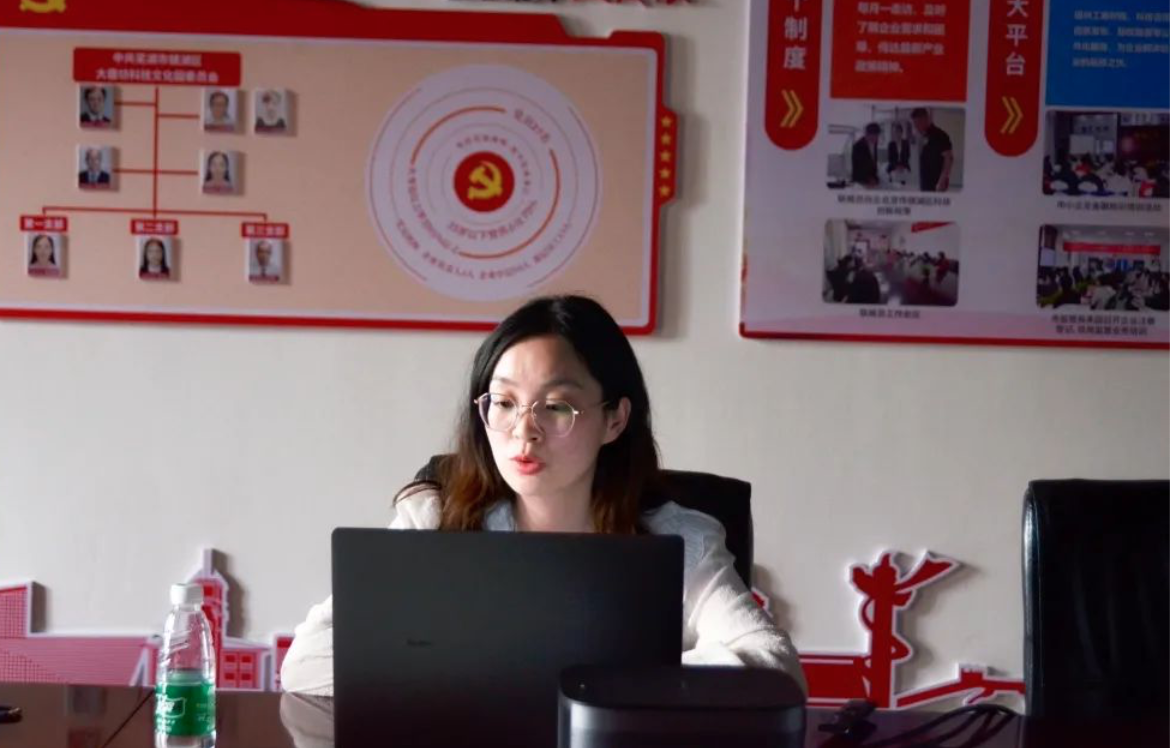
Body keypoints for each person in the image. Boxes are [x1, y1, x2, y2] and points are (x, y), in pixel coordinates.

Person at [280, 295, 807, 697]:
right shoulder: (436, 522)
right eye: (504, 403)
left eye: (555, 407)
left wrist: (586, 684)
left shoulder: (676, 540)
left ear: (615, 419)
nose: (524, 432)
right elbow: (307, 662)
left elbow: (775, 668)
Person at [910, 107, 954, 193]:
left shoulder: (940, 135)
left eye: (917, 123)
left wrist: (941, 181)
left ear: (925, 119)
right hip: (925, 183)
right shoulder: (923, 136)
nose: (916, 127)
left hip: (936, 185)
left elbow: (949, 159)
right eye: (915, 124)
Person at [851, 123, 882, 188]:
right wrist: (869, 179)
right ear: (867, 134)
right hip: (860, 181)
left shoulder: (874, 144)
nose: (876, 138)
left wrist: (875, 178)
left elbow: (873, 164)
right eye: (874, 135)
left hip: (871, 181)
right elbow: (859, 168)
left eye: (877, 136)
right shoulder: (858, 146)